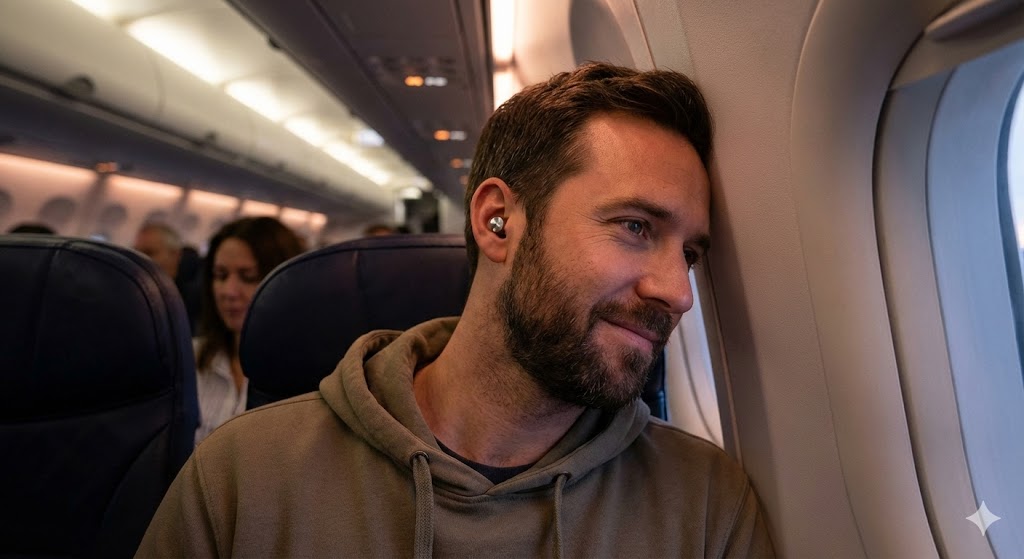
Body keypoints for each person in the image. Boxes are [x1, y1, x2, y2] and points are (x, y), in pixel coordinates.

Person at [139, 62, 774, 557]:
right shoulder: (244, 479)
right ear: (498, 222)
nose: (678, 291)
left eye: (689, 253)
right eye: (636, 227)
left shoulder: (707, 507)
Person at [192, 216, 305, 444]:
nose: (229, 292)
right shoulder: (190, 358)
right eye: (221, 275)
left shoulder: (309, 372)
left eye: (248, 277)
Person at [133, 222, 201, 332]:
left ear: (175, 256)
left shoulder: (196, 299)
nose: (139, 260)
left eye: (149, 253)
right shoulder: (132, 296)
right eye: (135, 253)